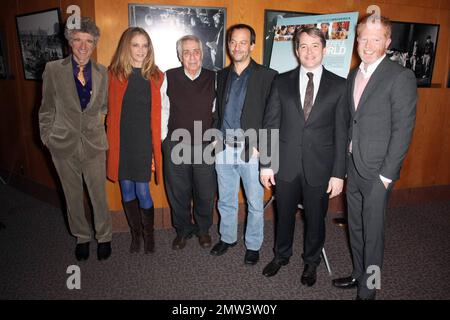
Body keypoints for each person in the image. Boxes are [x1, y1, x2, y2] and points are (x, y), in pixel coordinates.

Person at [332, 15, 417, 300]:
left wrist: (386, 176)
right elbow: (349, 122)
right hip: (353, 168)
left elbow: (403, 130)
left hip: (378, 173)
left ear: (387, 42)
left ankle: (369, 290)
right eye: (363, 39)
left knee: (374, 235)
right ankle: (359, 274)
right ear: (357, 41)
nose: (368, 45)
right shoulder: (353, 75)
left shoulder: (400, 76)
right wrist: (343, 166)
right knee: (355, 227)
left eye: (376, 39)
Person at [260, 27, 348, 286]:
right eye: (303, 46)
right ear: (296, 50)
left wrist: (338, 172)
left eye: (314, 46)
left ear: (325, 48)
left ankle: (311, 262)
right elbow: (270, 125)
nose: (309, 51)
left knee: (315, 218)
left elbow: (342, 133)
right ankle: (281, 255)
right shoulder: (281, 81)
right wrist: (266, 164)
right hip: (285, 165)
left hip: (320, 167)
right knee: (283, 214)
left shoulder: (340, 85)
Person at [38, 17, 112, 261]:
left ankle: (104, 236)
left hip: (93, 144)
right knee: (71, 194)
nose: (83, 46)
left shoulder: (103, 72)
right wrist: (47, 137)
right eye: (78, 40)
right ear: (70, 41)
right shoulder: (53, 70)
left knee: (98, 194)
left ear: (94, 44)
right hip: (62, 144)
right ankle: (82, 236)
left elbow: (102, 107)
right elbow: (46, 108)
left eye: (88, 41)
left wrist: (94, 126)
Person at [210, 24, 277, 265]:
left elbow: (273, 117)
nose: (237, 47)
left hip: (252, 149)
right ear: (228, 45)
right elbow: (217, 111)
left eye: (242, 42)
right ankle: (227, 238)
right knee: (226, 199)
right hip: (224, 148)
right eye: (233, 42)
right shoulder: (221, 75)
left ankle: (253, 244)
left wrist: (264, 148)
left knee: (254, 202)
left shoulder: (268, 76)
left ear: (252, 45)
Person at [106, 27, 163, 254]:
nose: (141, 50)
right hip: (121, 143)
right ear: (126, 47)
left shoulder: (157, 76)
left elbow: (162, 114)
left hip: (142, 143)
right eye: (135, 45)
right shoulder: (114, 75)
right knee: (126, 190)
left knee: (143, 191)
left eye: (145, 45)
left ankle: (149, 236)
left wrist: (153, 149)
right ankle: (136, 234)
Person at [161, 35, 216, 250]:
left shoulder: (214, 78)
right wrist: (164, 141)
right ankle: (182, 229)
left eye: (196, 51)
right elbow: (163, 110)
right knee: (178, 192)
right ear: (179, 55)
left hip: (204, 146)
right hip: (176, 144)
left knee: (205, 191)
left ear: (202, 54)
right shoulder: (169, 77)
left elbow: (218, 111)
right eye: (186, 52)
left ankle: (203, 230)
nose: (192, 56)